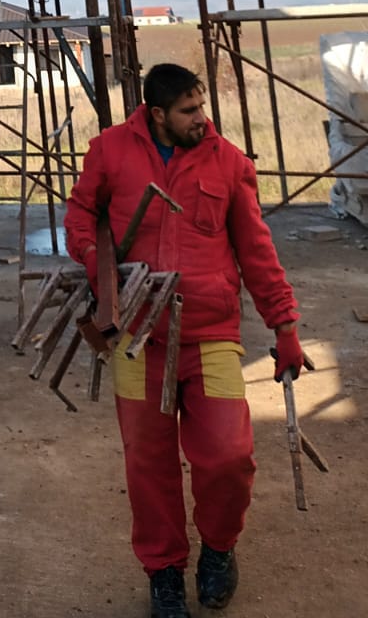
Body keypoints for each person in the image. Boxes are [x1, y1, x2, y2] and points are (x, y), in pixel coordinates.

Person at [65, 62, 305, 618]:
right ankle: (165, 574)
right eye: (188, 110)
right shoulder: (109, 151)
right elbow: (81, 214)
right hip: (136, 336)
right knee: (148, 466)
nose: (202, 118)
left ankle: (218, 549)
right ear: (157, 114)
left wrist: (285, 325)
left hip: (210, 333)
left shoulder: (229, 163)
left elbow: (257, 250)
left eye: (202, 106)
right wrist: (97, 262)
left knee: (228, 456)